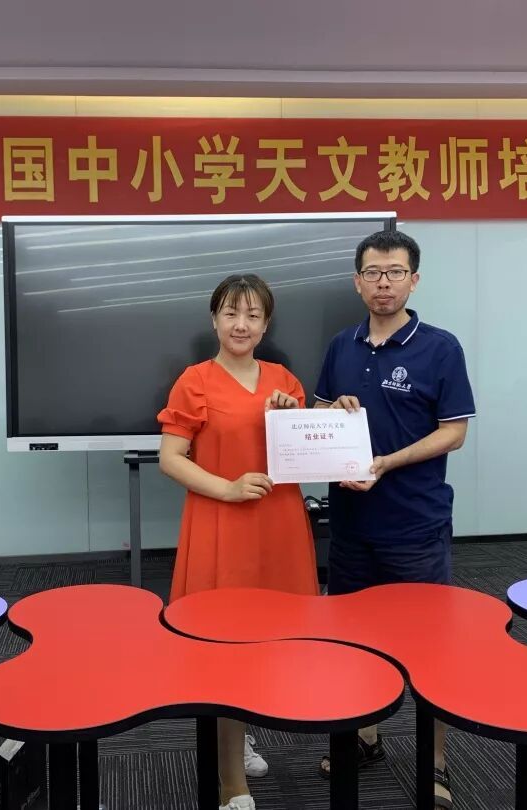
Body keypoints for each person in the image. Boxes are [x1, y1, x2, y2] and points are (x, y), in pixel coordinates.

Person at [313, 229, 475, 810]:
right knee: (353, 641)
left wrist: (386, 462)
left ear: (414, 279)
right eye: (373, 273)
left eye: (395, 272)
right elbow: (320, 415)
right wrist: (333, 410)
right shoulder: (341, 345)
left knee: (428, 648)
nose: (384, 283)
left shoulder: (440, 347)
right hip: (351, 524)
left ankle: (435, 761)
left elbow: (453, 432)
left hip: (414, 526)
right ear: (357, 281)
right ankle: (365, 737)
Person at [158, 273, 318, 810]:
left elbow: (303, 457)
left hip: (278, 526)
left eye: (252, 315)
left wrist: (297, 419)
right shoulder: (194, 381)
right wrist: (227, 488)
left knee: (272, 639)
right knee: (224, 647)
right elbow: (170, 458)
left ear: (266, 324)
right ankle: (231, 783)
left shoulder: (285, 381)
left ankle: (240, 732)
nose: (241, 324)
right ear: (214, 319)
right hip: (221, 525)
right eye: (231, 313)